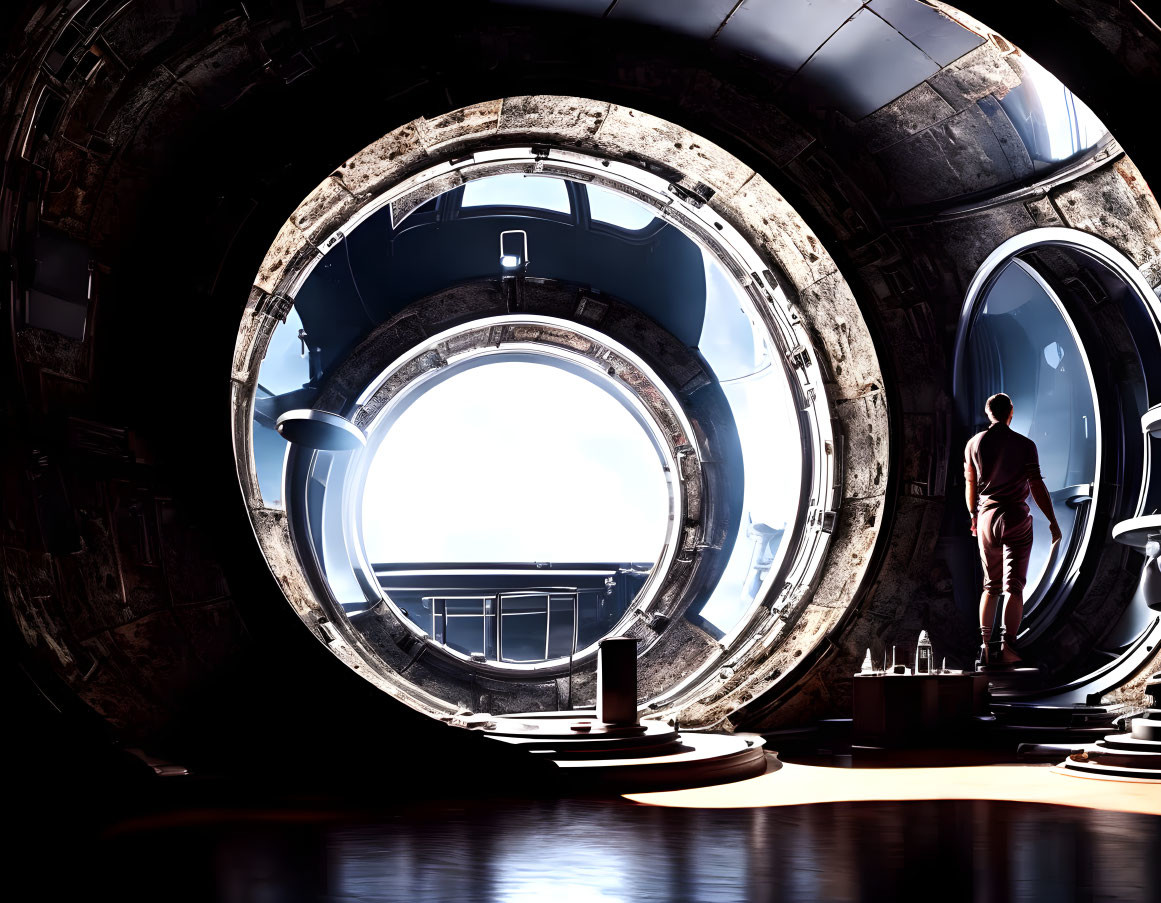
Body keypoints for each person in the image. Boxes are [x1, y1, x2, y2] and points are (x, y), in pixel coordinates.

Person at [964, 393, 1061, 665]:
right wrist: (1052, 521)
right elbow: (1037, 486)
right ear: (1011, 412)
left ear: (988, 413)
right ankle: (1007, 647)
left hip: (985, 517)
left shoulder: (973, 445)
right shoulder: (1025, 445)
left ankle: (984, 647)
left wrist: (973, 516)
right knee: (1014, 586)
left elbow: (970, 486)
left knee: (990, 586)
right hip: (1015, 516)